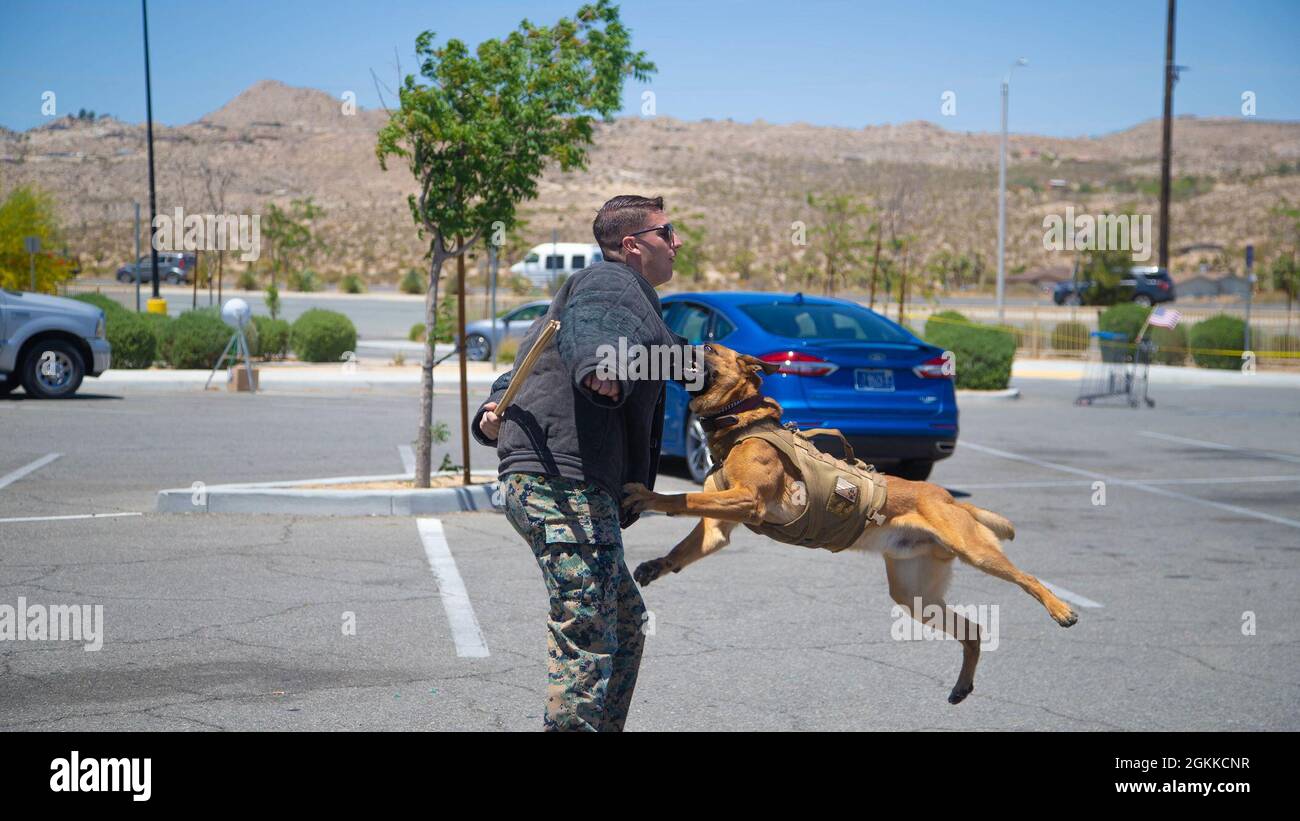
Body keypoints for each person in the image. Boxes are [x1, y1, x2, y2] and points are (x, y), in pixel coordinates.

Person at [472, 194, 683, 732]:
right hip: (560, 482)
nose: (677, 243)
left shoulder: (622, 306)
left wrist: (487, 415)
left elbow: (533, 361)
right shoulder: (613, 284)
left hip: (557, 478)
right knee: (588, 628)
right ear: (632, 245)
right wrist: (599, 366)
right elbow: (596, 332)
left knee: (627, 624)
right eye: (667, 231)